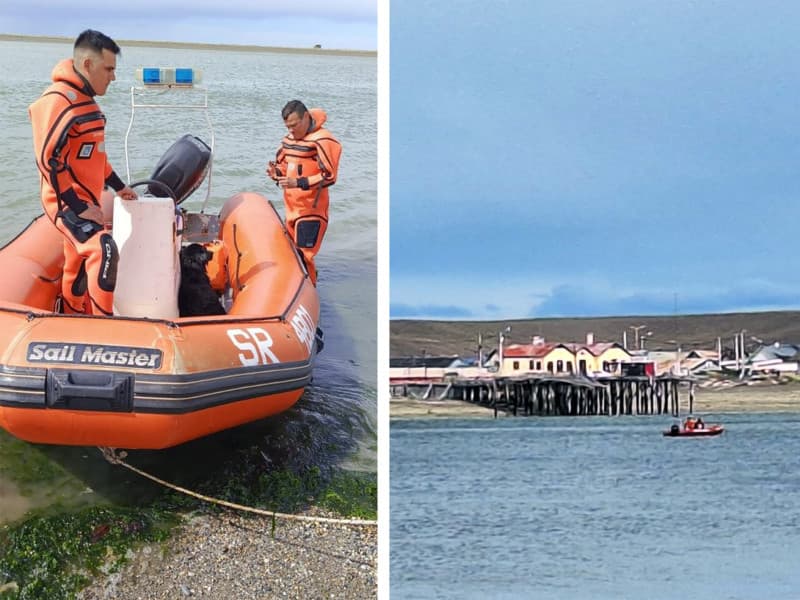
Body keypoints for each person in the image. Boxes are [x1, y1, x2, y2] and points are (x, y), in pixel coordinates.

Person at [29, 29, 137, 315]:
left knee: (75, 265)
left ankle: (73, 316)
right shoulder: (59, 101)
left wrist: (118, 186)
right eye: (109, 69)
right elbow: (48, 160)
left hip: (86, 199)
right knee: (104, 250)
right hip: (66, 203)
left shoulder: (86, 102)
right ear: (87, 65)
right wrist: (76, 206)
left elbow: (97, 157)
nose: (113, 77)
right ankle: (106, 327)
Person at [266, 100, 342, 285]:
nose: (291, 130)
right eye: (288, 127)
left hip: (311, 212)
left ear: (306, 117)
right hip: (291, 209)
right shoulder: (289, 141)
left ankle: (309, 293)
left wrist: (298, 182)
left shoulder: (323, 140)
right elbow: (284, 166)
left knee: (304, 257)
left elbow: (329, 176)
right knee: (292, 253)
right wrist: (276, 174)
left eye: (294, 125)